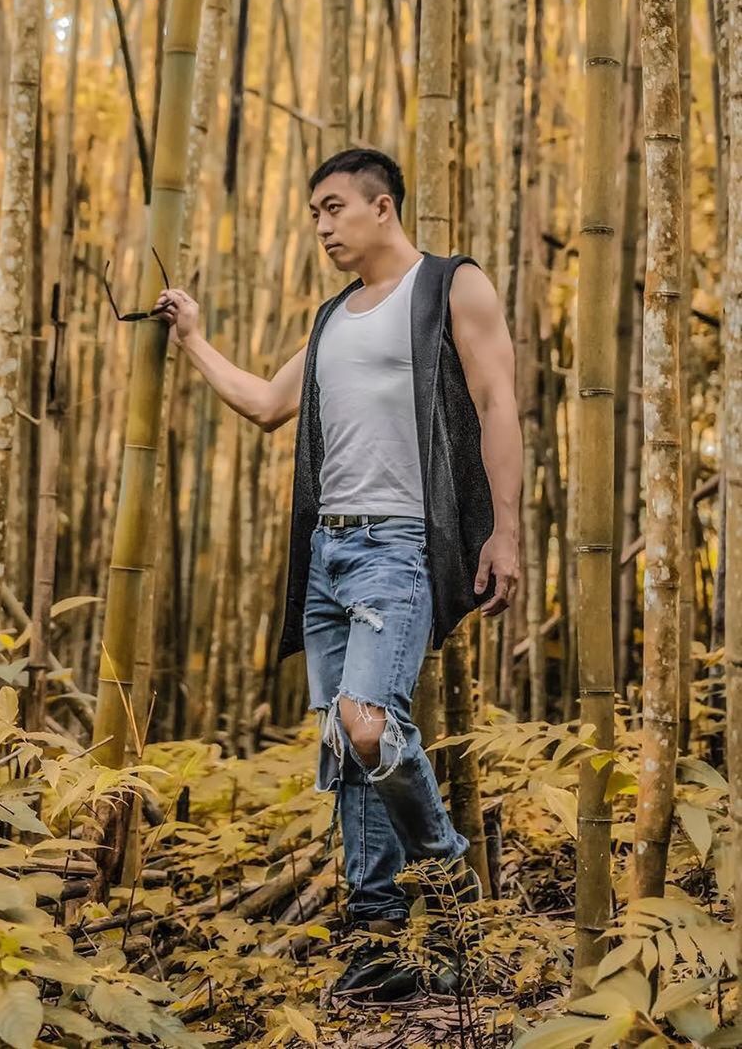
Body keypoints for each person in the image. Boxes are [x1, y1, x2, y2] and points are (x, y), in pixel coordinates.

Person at [154, 147, 522, 1001]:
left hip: (400, 546)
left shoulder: (450, 286)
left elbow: (499, 402)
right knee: (347, 752)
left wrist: (504, 532)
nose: (321, 226)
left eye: (332, 208)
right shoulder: (331, 318)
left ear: (381, 207)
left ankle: (450, 881)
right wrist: (196, 340)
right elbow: (266, 406)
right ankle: (379, 947)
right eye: (314, 213)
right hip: (328, 552)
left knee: (368, 723)